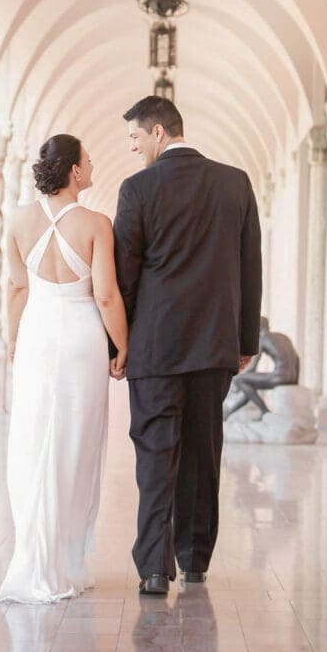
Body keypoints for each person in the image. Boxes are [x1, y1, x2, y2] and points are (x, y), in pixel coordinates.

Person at [113, 96, 262, 595]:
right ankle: (195, 560)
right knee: (202, 451)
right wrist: (244, 341)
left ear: (158, 133)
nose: (134, 149)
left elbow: (125, 277)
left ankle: (155, 568)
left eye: (136, 138)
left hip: (154, 349)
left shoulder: (136, 190)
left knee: (156, 454)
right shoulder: (234, 183)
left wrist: (120, 343)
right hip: (212, 345)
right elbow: (249, 269)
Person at [0, 134, 128, 604]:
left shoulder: (17, 221)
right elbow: (107, 296)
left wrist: (14, 339)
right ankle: (65, 562)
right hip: (81, 338)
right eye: (88, 161)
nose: (93, 167)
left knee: (32, 441)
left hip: (36, 333)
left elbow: (15, 287)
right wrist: (123, 346)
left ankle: (36, 556)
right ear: (73, 171)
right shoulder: (95, 224)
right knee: (75, 444)